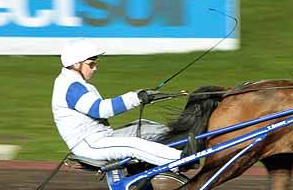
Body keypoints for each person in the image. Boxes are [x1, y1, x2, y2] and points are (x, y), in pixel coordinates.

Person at [51, 38, 193, 167]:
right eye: (91, 64)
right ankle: (181, 159)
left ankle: (183, 143)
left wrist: (139, 95)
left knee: (144, 126)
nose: (95, 68)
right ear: (76, 64)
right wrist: (135, 98)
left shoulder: (77, 84)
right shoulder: (71, 87)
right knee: (133, 145)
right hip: (90, 145)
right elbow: (100, 110)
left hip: (103, 136)